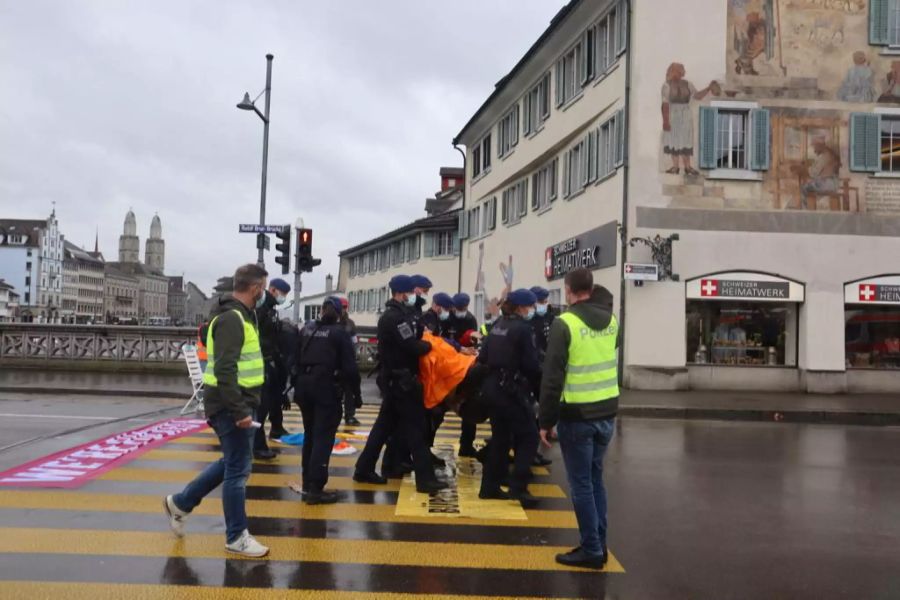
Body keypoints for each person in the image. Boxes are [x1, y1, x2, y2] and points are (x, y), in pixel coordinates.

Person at [164, 263, 270, 558]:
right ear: (255, 288)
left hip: (238, 402)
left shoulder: (240, 315)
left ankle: (182, 503)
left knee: (232, 462)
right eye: (263, 287)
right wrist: (239, 411)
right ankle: (236, 536)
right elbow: (224, 369)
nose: (263, 292)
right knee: (238, 471)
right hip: (230, 406)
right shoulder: (232, 318)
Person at [539, 268, 619, 570]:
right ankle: (600, 542)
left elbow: (552, 378)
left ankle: (591, 549)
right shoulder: (612, 321)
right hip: (606, 412)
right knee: (596, 479)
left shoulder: (565, 324)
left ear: (570, 290)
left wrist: (544, 421)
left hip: (577, 416)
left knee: (582, 484)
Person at [354, 275, 447, 494]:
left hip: (396, 380)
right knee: (416, 429)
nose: (414, 296)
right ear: (401, 293)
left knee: (383, 428)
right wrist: (428, 346)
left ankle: (363, 468)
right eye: (411, 292)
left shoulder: (399, 315)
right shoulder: (394, 318)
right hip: (402, 381)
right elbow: (411, 346)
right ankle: (425, 480)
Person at [477, 288, 541, 508]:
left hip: (492, 389)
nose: (533, 309)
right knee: (529, 437)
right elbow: (532, 366)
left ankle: (489, 487)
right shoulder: (523, 329)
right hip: (511, 391)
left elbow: (483, 357)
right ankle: (518, 487)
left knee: (501, 439)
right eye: (531, 305)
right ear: (522, 307)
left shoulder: (498, 326)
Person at [294, 296, 360, 505]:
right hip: (325, 388)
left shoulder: (307, 330)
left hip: (304, 387)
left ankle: (307, 482)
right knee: (323, 438)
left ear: (321, 310)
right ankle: (316, 488)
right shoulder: (340, 333)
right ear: (340, 313)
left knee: (310, 435)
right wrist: (356, 395)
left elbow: (293, 357)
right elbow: (350, 368)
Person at [253, 278, 292, 459]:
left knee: (273, 399)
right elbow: (259, 335)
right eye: (282, 293)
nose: (283, 297)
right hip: (262, 361)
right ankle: (257, 445)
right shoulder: (262, 308)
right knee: (263, 406)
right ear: (273, 289)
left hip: (270, 359)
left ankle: (275, 429)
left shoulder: (270, 309)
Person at [339, 297, 363, 426]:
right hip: (334, 361)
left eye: (344, 307)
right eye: (341, 307)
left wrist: (354, 357)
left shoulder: (350, 324)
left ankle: (349, 415)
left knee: (349, 390)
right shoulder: (332, 321)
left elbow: (355, 342)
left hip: (347, 360)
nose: (342, 310)